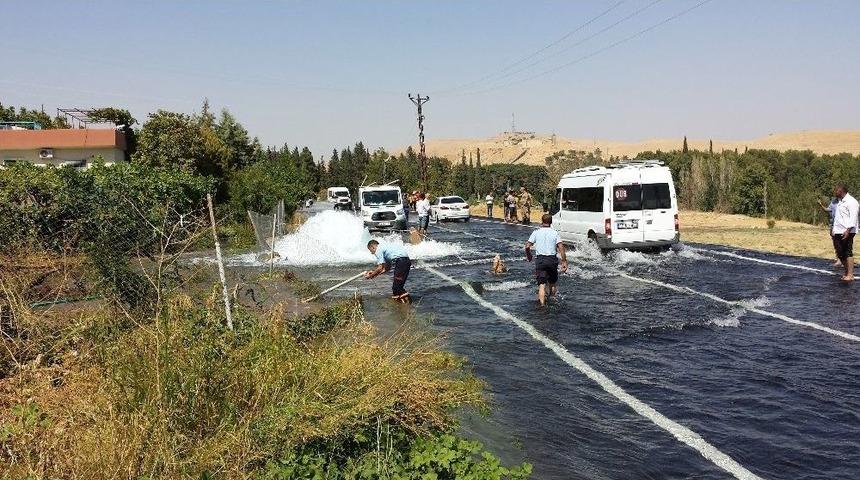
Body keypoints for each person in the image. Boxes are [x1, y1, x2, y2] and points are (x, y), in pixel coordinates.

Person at [525, 214, 568, 305]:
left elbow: (527, 246)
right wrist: (564, 261)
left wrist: (529, 256)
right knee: (552, 283)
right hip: (552, 260)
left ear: (542, 221)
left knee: (542, 285)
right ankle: (552, 301)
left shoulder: (536, 232)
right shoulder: (555, 233)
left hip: (540, 260)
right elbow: (561, 247)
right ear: (551, 222)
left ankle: (542, 305)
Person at [831, 183, 859, 281]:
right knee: (840, 253)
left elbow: (853, 217)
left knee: (847, 252)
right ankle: (846, 272)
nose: (834, 192)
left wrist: (848, 230)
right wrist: (834, 229)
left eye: (836, 190)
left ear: (841, 191)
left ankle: (850, 274)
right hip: (838, 231)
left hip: (848, 231)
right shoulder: (839, 201)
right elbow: (838, 217)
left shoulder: (852, 202)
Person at [818, 196, 841, 267]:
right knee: (835, 242)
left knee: (840, 242)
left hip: (840, 226)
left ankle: (840, 260)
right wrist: (821, 205)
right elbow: (827, 210)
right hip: (833, 225)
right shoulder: (833, 202)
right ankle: (838, 257)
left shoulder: (844, 202)